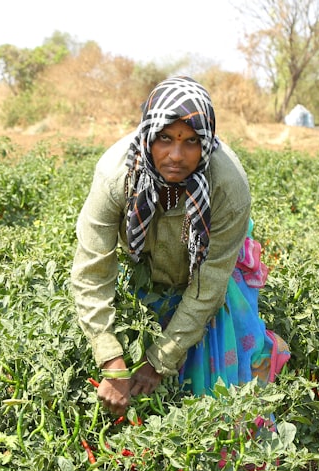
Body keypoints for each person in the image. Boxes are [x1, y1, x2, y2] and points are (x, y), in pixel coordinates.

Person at [70, 75, 289, 416]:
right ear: (148, 137)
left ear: (206, 142)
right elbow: (92, 268)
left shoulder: (227, 185)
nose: (176, 154)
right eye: (165, 139)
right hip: (147, 275)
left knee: (221, 397)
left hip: (207, 285)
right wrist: (110, 358)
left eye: (190, 142)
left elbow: (210, 281)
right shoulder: (117, 175)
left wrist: (161, 358)